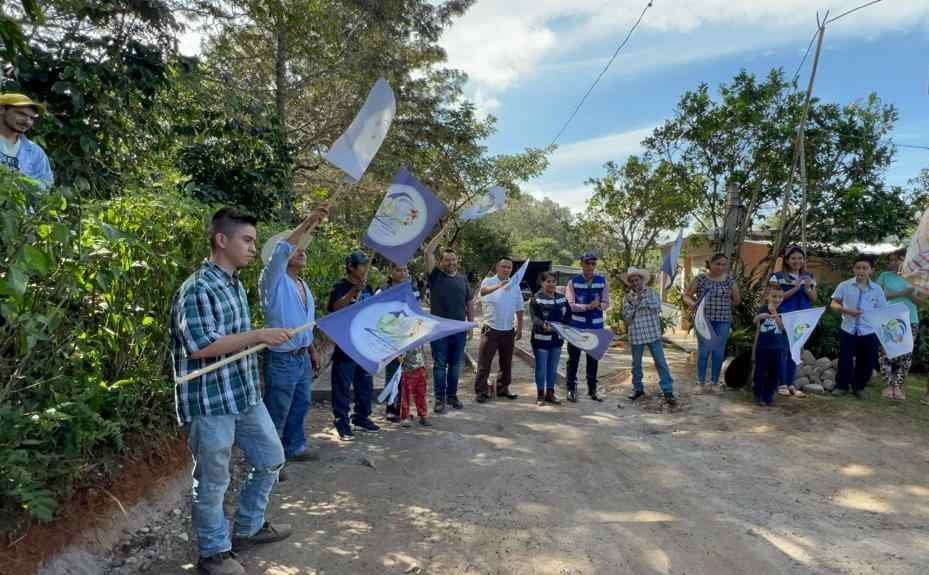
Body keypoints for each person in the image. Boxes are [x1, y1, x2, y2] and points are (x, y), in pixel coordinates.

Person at [170, 208, 293, 575]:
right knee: (212, 479)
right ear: (221, 240)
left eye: (254, 241)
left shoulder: (235, 283)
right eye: (248, 240)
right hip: (210, 402)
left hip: (243, 394)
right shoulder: (196, 288)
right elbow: (200, 346)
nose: (254, 247)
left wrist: (260, 337)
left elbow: (232, 339)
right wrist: (259, 335)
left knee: (271, 457)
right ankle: (213, 553)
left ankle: (248, 526)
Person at [258, 206, 328, 478]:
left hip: (300, 357)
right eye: (296, 248)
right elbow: (282, 250)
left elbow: (305, 324)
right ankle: (270, 461)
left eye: (303, 248)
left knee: (300, 403)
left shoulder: (302, 285)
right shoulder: (272, 280)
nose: (302, 251)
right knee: (277, 408)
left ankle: (294, 446)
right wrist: (309, 221)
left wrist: (311, 349)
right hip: (282, 358)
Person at [328, 251, 378, 440]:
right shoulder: (340, 287)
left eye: (367, 264)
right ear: (351, 266)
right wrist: (354, 291)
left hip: (365, 344)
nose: (366, 269)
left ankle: (361, 417)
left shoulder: (369, 287)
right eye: (362, 265)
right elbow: (335, 308)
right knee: (342, 385)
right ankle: (341, 421)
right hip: (346, 345)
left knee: (364, 384)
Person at [424, 225, 475, 413]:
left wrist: (470, 325)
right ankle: (439, 400)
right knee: (439, 366)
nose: (451, 262)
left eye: (454, 260)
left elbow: (469, 302)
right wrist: (442, 231)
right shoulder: (435, 276)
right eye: (447, 260)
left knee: (455, 366)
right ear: (441, 262)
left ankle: (452, 397)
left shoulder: (462, 279)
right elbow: (428, 251)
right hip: (438, 330)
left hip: (458, 330)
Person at [830, 254, 887, 400]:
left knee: (866, 362)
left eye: (865, 268)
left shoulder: (877, 290)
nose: (861, 271)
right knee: (845, 359)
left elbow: (882, 310)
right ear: (853, 269)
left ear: (871, 270)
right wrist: (847, 311)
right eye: (858, 268)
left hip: (869, 331)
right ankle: (841, 386)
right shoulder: (844, 285)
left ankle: (859, 387)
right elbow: (834, 303)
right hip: (848, 328)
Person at [683, 253, 742, 392]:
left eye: (723, 264)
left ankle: (714, 383)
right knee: (703, 351)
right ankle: (700, 383)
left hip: (723, 321)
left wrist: (725, 306)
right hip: (703, 320)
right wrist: (693, 304)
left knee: (718, 352)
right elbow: (686, 295)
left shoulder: (729, 280)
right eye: (718, 264)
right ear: (710, 263)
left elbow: (737, 300)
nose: (721, 267)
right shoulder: (701, 279)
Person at [622, 267, 676, 406]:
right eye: (632, 281)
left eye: (637, 279)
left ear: (642, 280)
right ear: (630, 283)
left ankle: (668, 390)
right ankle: (638, 389)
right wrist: (639, 304)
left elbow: (656, 306)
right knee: (636, 364)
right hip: (636, 334)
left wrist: (637, 303)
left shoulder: (652, 292)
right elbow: (627, 317)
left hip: (652, 333)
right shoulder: (626, 297)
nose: (635, 283)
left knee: (660, 362)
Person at [474, 258, 525, 403]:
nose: (506, 269)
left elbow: (519, 307)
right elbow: (482, 293)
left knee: (506, 362)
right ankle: (481, 391)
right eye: (503, 266)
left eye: (509, 267)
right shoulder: (488, 281)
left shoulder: (515, 285)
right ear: (497, 267)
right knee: (484, 363)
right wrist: (499, 285)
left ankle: (503, 389)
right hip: (491, 329)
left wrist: (520, 327)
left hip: (508, 330)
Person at [769, 245, 815, 397]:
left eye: (800, 258)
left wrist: (808, 288)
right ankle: (780, 383)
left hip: (803, 319)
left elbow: (814, 298)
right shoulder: (778, 276)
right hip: (784, 318)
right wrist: (795, 288)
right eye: (793, 258)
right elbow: (773, 299)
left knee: (795, 352)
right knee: (782, 351)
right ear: (787, 260)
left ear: (803, 260)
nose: (797, 261)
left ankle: (790, 383)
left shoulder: (809, 276)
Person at [564, 251, 610, 402]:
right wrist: (588, 307)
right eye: (587, 263)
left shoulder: (602, 281)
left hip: (596, 327)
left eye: (593, 263)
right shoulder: (573, 282)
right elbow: (570, 305)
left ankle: (592, 390)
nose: (590, 266)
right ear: (581, 264)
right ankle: (571, 389)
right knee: (573, 359)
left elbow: (606, 303)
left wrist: (599, 306)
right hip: (576, 327)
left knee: (593, 359)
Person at [876, 248, 919, 401]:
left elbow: (921, 302)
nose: (893, 263)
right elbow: (878, 295)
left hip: (910, 319)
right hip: (888, 319)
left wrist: (912, 293)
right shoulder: (885, 276)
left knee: (906, 355)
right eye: (891, 260)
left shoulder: (915, 277)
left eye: (897, 260)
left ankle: (898, 386)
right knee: (885, 352)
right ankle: (888, 385)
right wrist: (903, 293)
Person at [378, 265, 414, 423]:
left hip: (407, 336)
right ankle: (391, 409)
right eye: (399, 270)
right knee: (393, 373)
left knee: (406, 375)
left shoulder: (409, 290)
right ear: (390, 272)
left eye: (405, 270)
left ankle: (403, 408)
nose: (403, 273)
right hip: (390, 337)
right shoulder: (383, 292)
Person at [529, 271, 568, 406]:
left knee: (553, 368)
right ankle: (540, 395)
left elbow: (567, 316)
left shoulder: (562, 298)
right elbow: (535, 318)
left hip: (557, 340)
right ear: (542, 283)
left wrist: (566, 328)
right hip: (541, 340)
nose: (551, 284)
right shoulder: (536, 298)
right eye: (548, 281)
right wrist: (544, 325)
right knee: (541, 368)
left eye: (553, 281)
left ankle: (550, 393)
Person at [0, 93, 53, 189]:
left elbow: (46, 186)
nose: (27, 122)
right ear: (2, 109)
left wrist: (23, 184)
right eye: (21, 114)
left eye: (31, 118)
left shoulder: (36, 153)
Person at [753, 285, 788, 407]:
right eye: (774, 296)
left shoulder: (784, 311)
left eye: (780, 297)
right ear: (768, 296)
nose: (777, 299)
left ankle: (769, 396)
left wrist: (774, 313)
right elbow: (755, 322)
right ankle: (759, 396)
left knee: (775, 373)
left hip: (778, 348)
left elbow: (783, 328)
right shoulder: (762, 308)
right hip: (762, 347)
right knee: (760, 372)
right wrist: (759, 317)